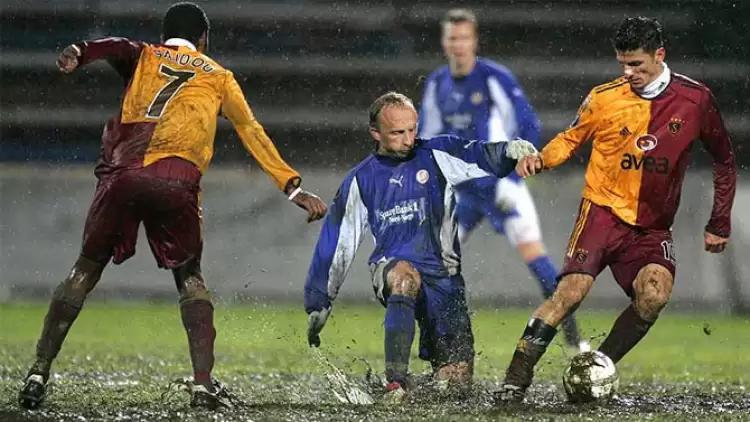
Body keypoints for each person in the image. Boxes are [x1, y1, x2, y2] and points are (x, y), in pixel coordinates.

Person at [18, 2, 327, 411]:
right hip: (176, 179)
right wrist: (291, 186)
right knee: (190, 278)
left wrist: (80, 50)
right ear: (204, 39)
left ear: (165, 36)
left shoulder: (144, 54)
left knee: (84, 270)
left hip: (123, 175)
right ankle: (202, 385)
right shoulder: (218, 75)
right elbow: (250, 129)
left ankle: (39, 371)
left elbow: (114, 46)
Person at [495, 16, 737, 403]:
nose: (628, 73)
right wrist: (542, 159)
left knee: (654, 295)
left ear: (660, 55)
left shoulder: (695, 100)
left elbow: (724, 159)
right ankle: (514, 379)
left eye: (636, 64)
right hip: (602, 213)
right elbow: (570, 139)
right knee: (571, 291)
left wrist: (719, 220)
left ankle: (596, 370)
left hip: (652, 228)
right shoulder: (604, 97)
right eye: (622, 64)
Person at [303, 91, 538, 403]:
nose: (408, 138)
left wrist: (511, 151)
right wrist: (319, 298)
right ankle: (394, 383)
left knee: (455, 387)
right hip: (392, 267)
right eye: (398, 132)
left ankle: (411, 389)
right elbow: (337, 242)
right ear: (376, 133)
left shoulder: (437, 154)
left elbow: (478, 154)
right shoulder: (361, 180)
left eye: (412, 129)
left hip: (445, 281)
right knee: (404, 276)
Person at [417, 8, 585, 351]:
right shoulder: (436, 84)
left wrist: (515, 174)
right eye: (453, 38)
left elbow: (528, 126)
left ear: (474, 41)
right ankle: (438, 345)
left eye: (464, 38)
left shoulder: (495, 78)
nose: (459, 45)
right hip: (461, 194)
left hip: (500, 187)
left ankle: (574, 341)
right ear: (444, 43)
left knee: (536, 258)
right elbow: (426, 139)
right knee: (431, 263)